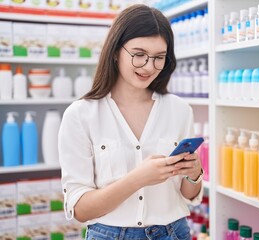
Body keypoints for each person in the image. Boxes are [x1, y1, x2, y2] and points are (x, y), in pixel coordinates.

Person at [58, 4, 204, 240]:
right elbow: (81, 210)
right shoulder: (80, 115)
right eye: (139, 55)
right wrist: (137, 179)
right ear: (116, 51)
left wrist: (194, 173)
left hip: (174, 233)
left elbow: (188, 194)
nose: (149, 66)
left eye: (159, 58)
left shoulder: (179, 110)